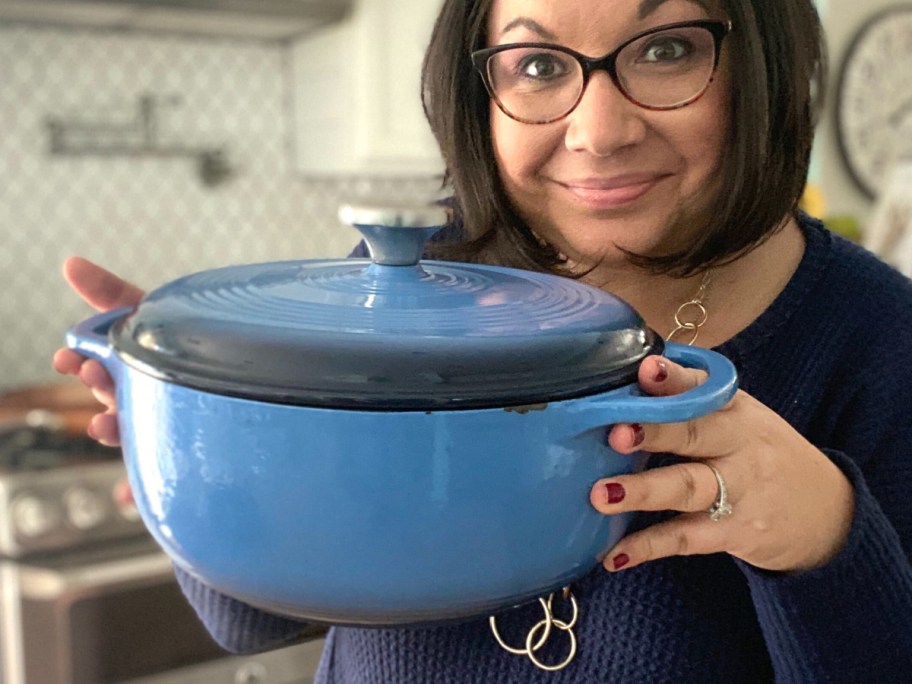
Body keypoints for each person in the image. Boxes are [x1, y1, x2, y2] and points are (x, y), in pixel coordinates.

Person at [54, 0, 912, 681]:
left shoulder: (878, 341)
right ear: (480, 89)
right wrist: (213, 437)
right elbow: (249, 621)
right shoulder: (416, 272)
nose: (599, 131)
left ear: (760, 57)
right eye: (538, 65)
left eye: (667, 49)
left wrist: (824, 535)